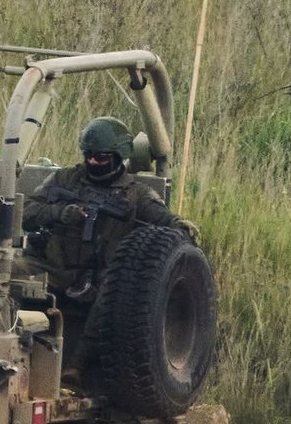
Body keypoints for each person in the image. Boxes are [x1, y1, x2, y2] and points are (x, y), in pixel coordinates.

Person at [23, 116, 200, 381]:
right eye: (89, 156)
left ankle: (76, 364)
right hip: (55, 268)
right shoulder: (64, 180)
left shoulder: (135, 194)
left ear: (119, 157)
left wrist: (181, 226)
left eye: (102, 158)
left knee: (113, 290)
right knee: (11, 268)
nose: (93, 162)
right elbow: (26, 211)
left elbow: (162, 219)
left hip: (100, 276)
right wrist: (59, 213)